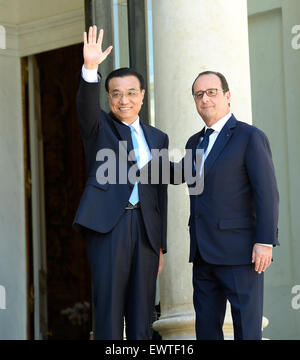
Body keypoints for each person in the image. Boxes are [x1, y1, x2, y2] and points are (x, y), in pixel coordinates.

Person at [73, 25, 168, 340]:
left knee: (143, 316)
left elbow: (159, 195)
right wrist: (90, 68)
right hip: (108, 228)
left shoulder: (158, 137)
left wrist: (161, 245)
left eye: (130, 93)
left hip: (145, 232)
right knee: (110, 315)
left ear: (142, 95)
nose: (123, 100)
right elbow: (86, 108)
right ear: (108, 97)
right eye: (115, 93)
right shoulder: (99, 127)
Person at [173, 71, 279, 340]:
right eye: (199, 94)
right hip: (203, 255)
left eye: (211, 92)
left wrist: (265, 241)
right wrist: (134, 165)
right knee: (206, 332)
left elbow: (266, 192)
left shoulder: (249, 137)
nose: (205, 99)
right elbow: (178, 173)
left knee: (246, 330)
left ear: (227, 96)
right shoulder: (193, 143)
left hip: (241, 254)